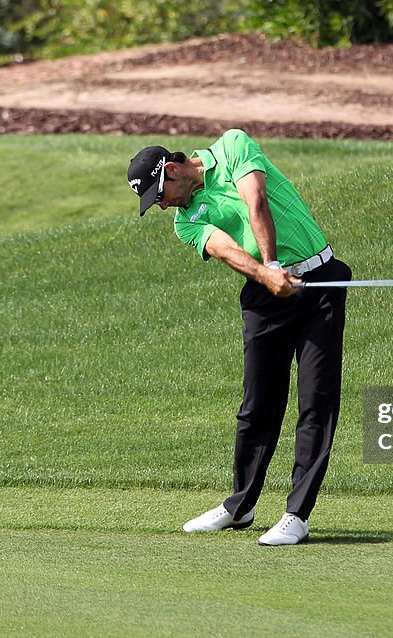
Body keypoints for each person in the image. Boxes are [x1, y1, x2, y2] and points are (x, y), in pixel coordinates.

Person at [127, 129, 351, 546]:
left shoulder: (233, 147)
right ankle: (240, 506)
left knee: (315, 400)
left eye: (159, 194)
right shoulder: (186, 221)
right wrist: (267, 275)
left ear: (173, 170)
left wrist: (273, 262)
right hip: (265, 295)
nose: (161, 205)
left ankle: (296, 515)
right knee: (256, 406)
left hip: (319, 281)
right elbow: (226, 248)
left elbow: (256, 201)